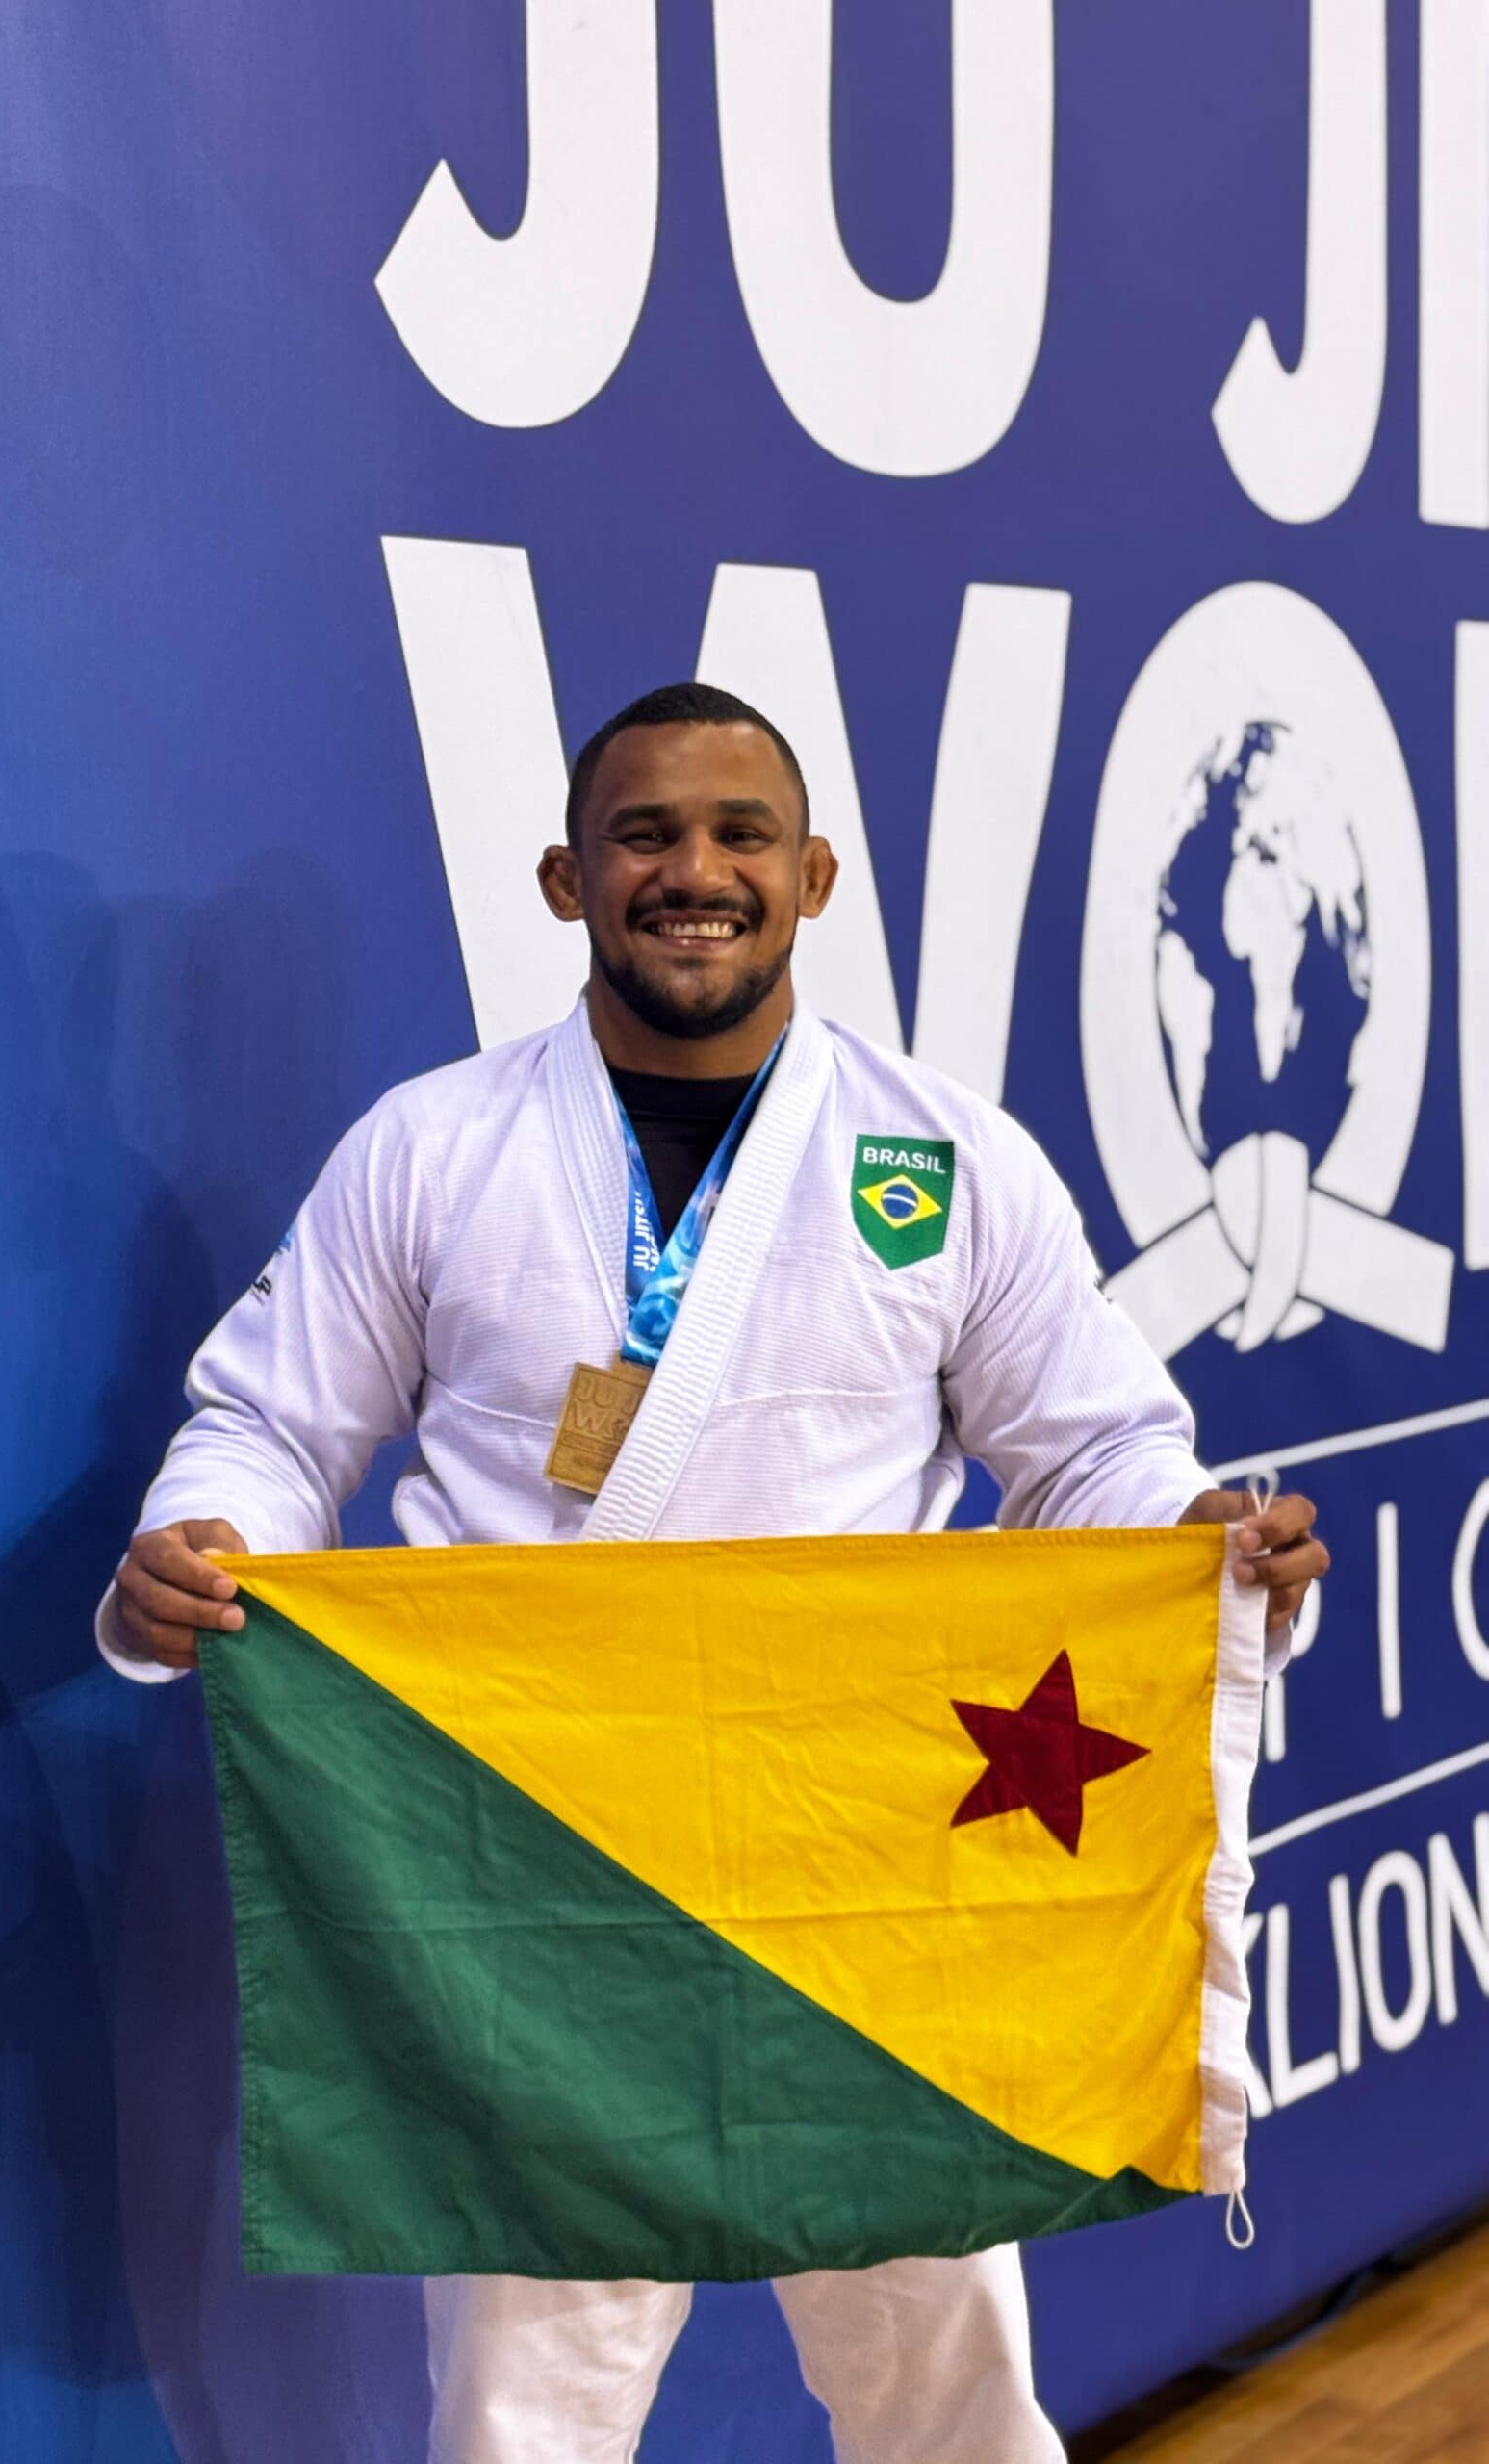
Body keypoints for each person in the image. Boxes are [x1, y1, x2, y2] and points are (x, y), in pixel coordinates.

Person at [98, 682, 1329, 2464]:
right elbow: (272, 1431)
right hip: (534, 1870)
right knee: (526, 2418)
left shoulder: (947, 1158)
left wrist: (1195, 1534)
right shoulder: (431, 1150)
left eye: (743, 835)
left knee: (951, 2390)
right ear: (562, 878)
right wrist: (200, 1550)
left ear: (815, 875)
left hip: (875, 1868)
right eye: (646, 835)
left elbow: (1093, 1448)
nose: (696, 873)